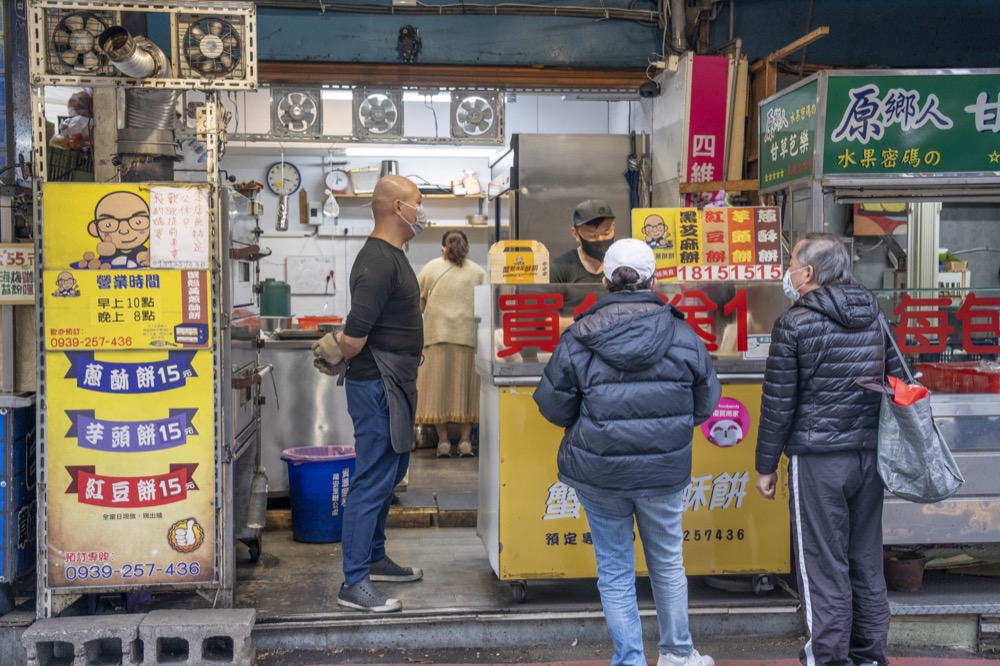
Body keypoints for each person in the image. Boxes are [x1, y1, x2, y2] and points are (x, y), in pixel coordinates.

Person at [534, 238, 721, 666]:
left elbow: (553, 405)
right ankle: (676, 653)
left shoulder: (579, 335)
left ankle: (630, 660)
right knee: (668, 563)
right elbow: (706, 402)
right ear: (654, 279)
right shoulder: (683, 333)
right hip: (663, 471)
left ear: (604, 279)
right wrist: (668, 431)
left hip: (599, 474)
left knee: (615, 570)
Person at [755, 232, 903, 666]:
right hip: (869, 457)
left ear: (809, 273)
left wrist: (766, 465)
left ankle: (829, 658)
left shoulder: (795, 323)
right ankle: (870, 655)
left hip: (818, 460)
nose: (788, 272)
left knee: (821, 563)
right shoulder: (874, 313)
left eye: (792, 263)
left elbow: (778, 403)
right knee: (864, 558)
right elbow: (899, 381)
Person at [319, 175, 426, 613]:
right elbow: (356, 335)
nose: (421, 211)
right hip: (377, 385)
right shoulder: (378, 261)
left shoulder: (393, 256)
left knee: (392, 469)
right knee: (371, 480)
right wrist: (334, 346)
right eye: (417, 203)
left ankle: (375, 557)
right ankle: (354, 582)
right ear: (397, 207)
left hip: (395, 382)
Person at [415, 230, 488, 458]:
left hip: (435, 339)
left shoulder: (430, 267)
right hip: (465, 339)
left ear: (442, 247)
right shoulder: (477, 272)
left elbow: (416, 302)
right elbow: (485, 308)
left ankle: (444, 442)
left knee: (439, 391)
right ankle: (465, 441)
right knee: (463, 390)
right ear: (466, 248)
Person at [549, 199, 616, 283]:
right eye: (592, 235)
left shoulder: (623, 264)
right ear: (575, 234)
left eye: (606, 233)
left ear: (613, 227)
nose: (600, 239)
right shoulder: (559, 270)